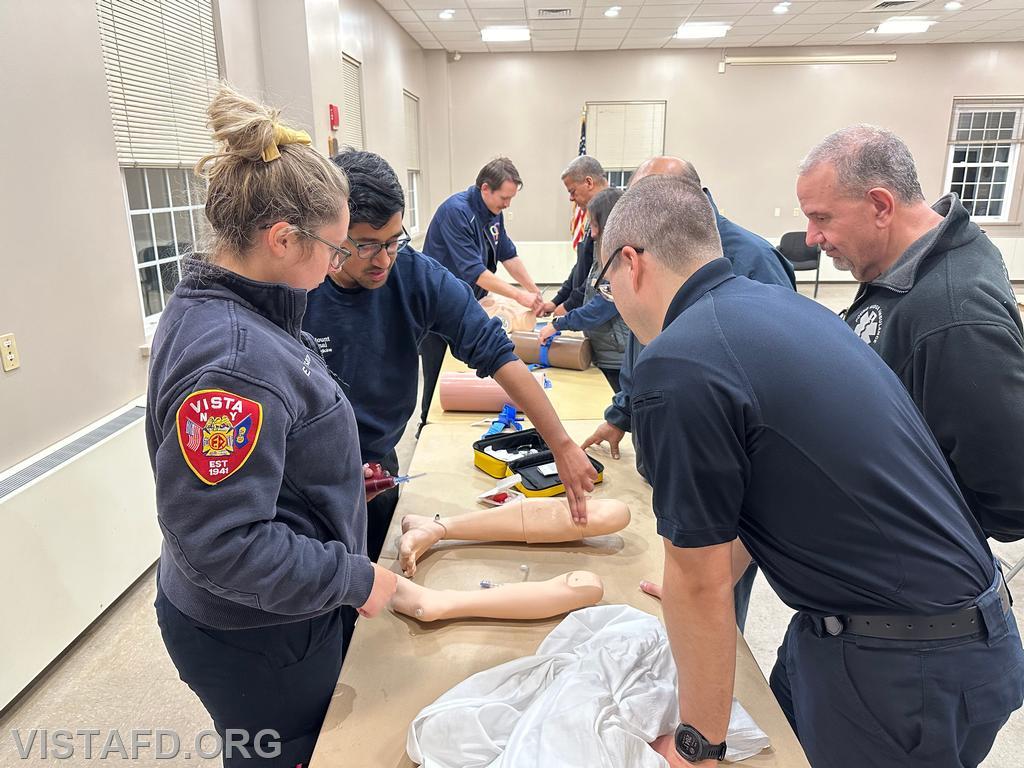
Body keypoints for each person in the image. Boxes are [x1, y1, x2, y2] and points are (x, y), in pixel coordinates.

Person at [600, 175, 1023, 768]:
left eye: (606, 282)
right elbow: (769, 490)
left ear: (631, 263)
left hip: (904, 663)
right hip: (919, 632)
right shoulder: (783, 310)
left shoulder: (679, 362)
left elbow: (697, 584)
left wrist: (698, 745)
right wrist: (699, 578)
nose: (611, 299)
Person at [146, 85, 398, 768]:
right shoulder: (233, 362)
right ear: (283, 239)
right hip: (259, 634)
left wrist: (337, 486)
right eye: (336, 248)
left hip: (265, 614)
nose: (340, 264)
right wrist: (354, 577)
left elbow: (271, 463)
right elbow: (223, 544)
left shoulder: (239, 314)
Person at [302, 150, 597, 559]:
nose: (384, 259)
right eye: (368, 246)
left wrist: (562, 444)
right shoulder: (297, 289)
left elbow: (500, 355)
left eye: (393, 241)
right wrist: (315, 473)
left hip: (374, 462)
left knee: (372, 569)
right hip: (302, 476)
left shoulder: (416, 276)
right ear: (333, 231)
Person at [582, 156, 795, 631]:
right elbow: (646, 343)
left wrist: (701, 590)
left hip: (732, 480)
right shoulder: (660, 263)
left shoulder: (753, 260)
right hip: (684, 461)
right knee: (683, 586)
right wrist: (623, 413)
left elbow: (769, 388)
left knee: (710, 606)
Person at [797, 124, 1024, 542]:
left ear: (881, 206)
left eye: (821, 217)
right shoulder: (905, 266)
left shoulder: (954, 315)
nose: (813, 237)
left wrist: (903, 516)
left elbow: (1012, 496)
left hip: (906, 568)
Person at [419, 158, 545, 430]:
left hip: (466, 302)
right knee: (437, 372)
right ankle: (426, 426)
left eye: (511, 198)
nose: (507, 204)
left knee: (468, 365)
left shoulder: (493, 212)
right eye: (504, 197)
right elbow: (473, 271)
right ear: (485, 188)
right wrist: (518, 296)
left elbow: (507, 254)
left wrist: (534, 291)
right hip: (435, 307)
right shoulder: (457, 212)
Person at [538, 187, 630, 392]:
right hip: (602, 351)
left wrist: (559, 323)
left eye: (596, 225)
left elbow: (601, 307)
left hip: (617, 359)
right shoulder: (602, 253)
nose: (593, 233)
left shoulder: (622, 260)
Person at [539, 155, 610, 317]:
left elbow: (599, 275)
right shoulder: (593, 214)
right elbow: (582, 266)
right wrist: (557, 300)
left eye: (572, 191)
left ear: (589, 182)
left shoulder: (612, 215)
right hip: (590, 318)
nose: (571, 198)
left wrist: (569, 306)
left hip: (604, 324)